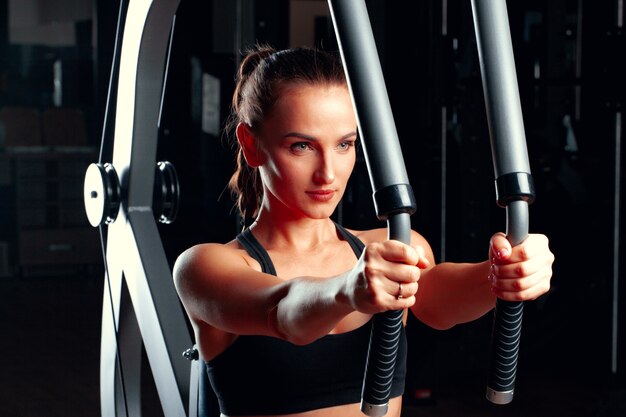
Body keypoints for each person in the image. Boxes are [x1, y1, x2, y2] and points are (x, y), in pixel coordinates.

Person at [173, 45, 554, 417]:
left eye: (344, 144)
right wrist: (349, 289)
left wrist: (506, 272)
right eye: (302, 146)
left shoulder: (389, 247)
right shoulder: (206, 267)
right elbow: (282, 312)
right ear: (251, 145)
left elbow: (437, 298)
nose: (328, 173)